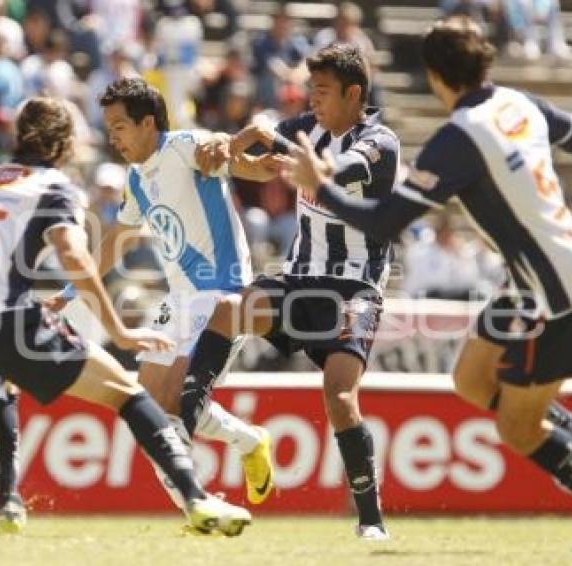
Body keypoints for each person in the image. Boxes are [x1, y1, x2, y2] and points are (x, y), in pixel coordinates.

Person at [278, 17, 572, 553]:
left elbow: (383, 223)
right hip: (535, 279)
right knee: (472, 380)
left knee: (519, 428)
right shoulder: (517, 103)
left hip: (557, 295)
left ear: (435, 76)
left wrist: (321, 186)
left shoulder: (459, 138)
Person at [0, 96, 252, 537]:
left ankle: (9, 505)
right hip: (9, 325)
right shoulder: (54, 187)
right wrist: (117, 328)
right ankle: (197, 498)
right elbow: (76, 257)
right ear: (64, 144)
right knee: (130, 396)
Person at [184, 42, 399, 540]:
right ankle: (187, 415)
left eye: (322, 92)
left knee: (340, 397)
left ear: (353, 93)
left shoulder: (379, 140)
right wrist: (230, 143)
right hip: (300, 278)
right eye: (310, 91)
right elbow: (258, 138)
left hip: (352, 288)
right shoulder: (307, 127)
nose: (313, 100)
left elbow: (340, 171)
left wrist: (289, 155)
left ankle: (370, 520)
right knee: (226, 311)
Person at [87, 77, 274, 510]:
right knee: (146, 407)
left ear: (147, 122)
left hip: (223, 293)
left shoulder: (187, 145)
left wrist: (256, 142)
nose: (112, 137)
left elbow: (253, 167)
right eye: (109, 128)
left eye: (119, 126)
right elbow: (119, 239)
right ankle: (248, 442)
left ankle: (197, 507)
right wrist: (69, 288)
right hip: (179, 299)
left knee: (173, 403)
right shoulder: (136, 180)